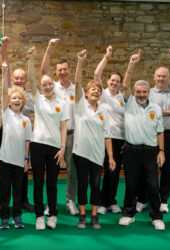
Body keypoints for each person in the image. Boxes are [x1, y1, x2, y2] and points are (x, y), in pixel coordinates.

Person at [118, 50, 166, 231]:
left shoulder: (156, 108)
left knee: (153, 184)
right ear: (134, 93)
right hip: (131, 150)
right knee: (131, 183)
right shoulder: (129, 103)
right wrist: (132, 63)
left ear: (148, 92)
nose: (141, 94)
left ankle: (156, 217)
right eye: (138, 91)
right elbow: (125, 83)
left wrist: (161, 151)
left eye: (144, 91)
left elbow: (160, 132)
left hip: (151, 151)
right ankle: (128, 214)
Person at [74, 49, 115, 229]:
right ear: (87, 93)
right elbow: (77, 83)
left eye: (98, 90)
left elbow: (107, 136)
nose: (96, 92)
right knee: (83, 184)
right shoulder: (80, 105)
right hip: (81, 153)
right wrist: (80, 62)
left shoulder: (104, 110)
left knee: (96, 185)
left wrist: (111, 157)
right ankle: (82, 215)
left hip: (98, 155)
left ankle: (94, 216)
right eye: (92, 89)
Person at [0, 37, 35, 214]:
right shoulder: (9, 91)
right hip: (7, 132)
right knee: (5, 171)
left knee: (22, 170)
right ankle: (3, 203)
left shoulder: (30, 97)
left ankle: (23, 200)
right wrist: (4, 47)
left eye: (21, 79)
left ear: (25, 81)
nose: (18, 81)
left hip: (23, 134)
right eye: (16, 78)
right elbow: (6, 67)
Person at [144, 49, 170, 214]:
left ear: (168, 78)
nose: (161, 78)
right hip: (151, 135)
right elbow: (149, 113)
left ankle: (164, 200)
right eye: (158, 76)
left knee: (167, 168)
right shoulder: (148, 93)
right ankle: (148, 198)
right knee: (149, 168)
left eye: (164, 76)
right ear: (154, 78)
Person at [41, 38, 78, 215]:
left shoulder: (77, 89)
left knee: (73, 170)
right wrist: (49, 48)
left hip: (72, 135)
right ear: (56, 73)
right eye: (59, 70)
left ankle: (71, 200)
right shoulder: (52, 86)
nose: (62, 72)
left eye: (65, 69)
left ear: (69, 71)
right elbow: (43, 70)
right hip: (54, 136)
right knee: (53, 171)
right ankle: (51, 203)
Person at [30, 69, 68, 230]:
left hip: (55, 148)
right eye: (44, 85)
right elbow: (31, 78)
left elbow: (64, 127)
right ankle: (39, 216)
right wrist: (31, 61)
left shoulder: (62, 103)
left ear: (54, 84)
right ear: (40, 87)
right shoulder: (38, 99)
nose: (47, 86)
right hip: (37, 145)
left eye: (49, 83)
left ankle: (52, 215)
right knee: (38, 182)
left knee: (52, 183)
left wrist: (62, 148)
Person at [94, 46, 125, 215]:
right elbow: (96, 75)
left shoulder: (123, 98)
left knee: (114, 171)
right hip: (104, 138)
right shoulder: (103, 94)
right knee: (102, 170)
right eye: (112, 80)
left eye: (117, 81)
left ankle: (111, 201)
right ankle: (99, 202)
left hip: (120, 139)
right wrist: (107, 56)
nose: (114, 83)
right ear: (108, 81)